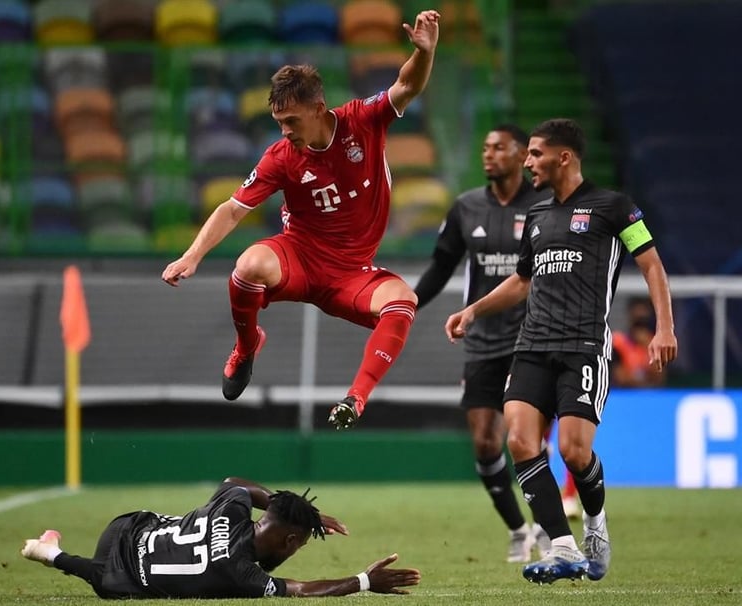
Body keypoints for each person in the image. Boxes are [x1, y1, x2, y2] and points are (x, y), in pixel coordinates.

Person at [161, 10, 441, 431]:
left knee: (404, 301)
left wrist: (425, 53)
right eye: (279, 123)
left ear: (318, 109)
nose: (285, 131)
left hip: (352, 273)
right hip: (301, 258)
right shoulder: (280, 157)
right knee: (249, 266)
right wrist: (192, 255)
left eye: (291, 121)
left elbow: (406, 85)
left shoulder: (361, 121)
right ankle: (247, 345)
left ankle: (356, 398)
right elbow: (233, 209)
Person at [444, 118, 677, 584]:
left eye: (534, 154)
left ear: (563, 157)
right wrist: (474, 310)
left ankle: (595, 525)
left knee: (573, 451)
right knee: (520, 441)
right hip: (531, 345)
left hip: (585, 346)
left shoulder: (615, 208)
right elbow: (522, 281)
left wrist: (664, 328)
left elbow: (651, 265)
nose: (528, 162)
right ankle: (563, 547)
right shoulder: (537, 216)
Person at [414, 124, 553, 563]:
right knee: (484, 442)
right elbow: (441, 265)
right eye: (485, 147)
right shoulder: (466, 207)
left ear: (520, 155)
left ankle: (552, 529)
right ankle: (519, 529)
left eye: (499, 148)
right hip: (481, 341)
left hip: (532, 338)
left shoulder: (546, 207)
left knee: (523, 434)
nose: (489, 155)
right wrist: (407, 305)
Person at [20, 477, 421, 598]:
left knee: (115, 574)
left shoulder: (234, 506)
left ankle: (49, 549)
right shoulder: (240, 571)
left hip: (126, 524)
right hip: (117, 570)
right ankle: (50, 553)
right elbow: (300, 589)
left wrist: (308, 514)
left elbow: (236, 483)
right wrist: (366, 581)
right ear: (291, 541)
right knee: (111, 585)